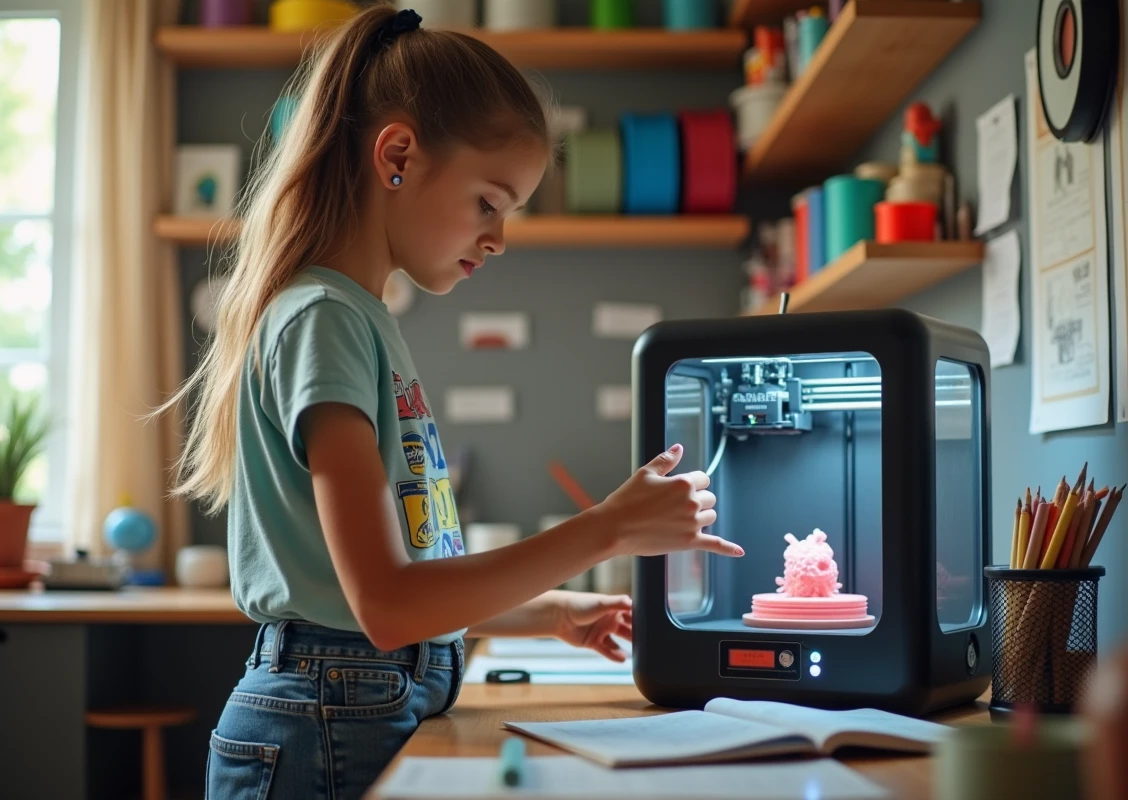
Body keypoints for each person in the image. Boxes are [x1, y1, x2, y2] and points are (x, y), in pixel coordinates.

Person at [157, 6, 742, 798]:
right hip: (322, 722)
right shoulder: (324, 319)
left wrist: (549, 613)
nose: (499, 238)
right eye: (488, 202)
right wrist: (606, 527)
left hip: (353, 700)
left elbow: (389, 595)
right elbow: (386, 608)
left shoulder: (358, 319)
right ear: (396, 155)